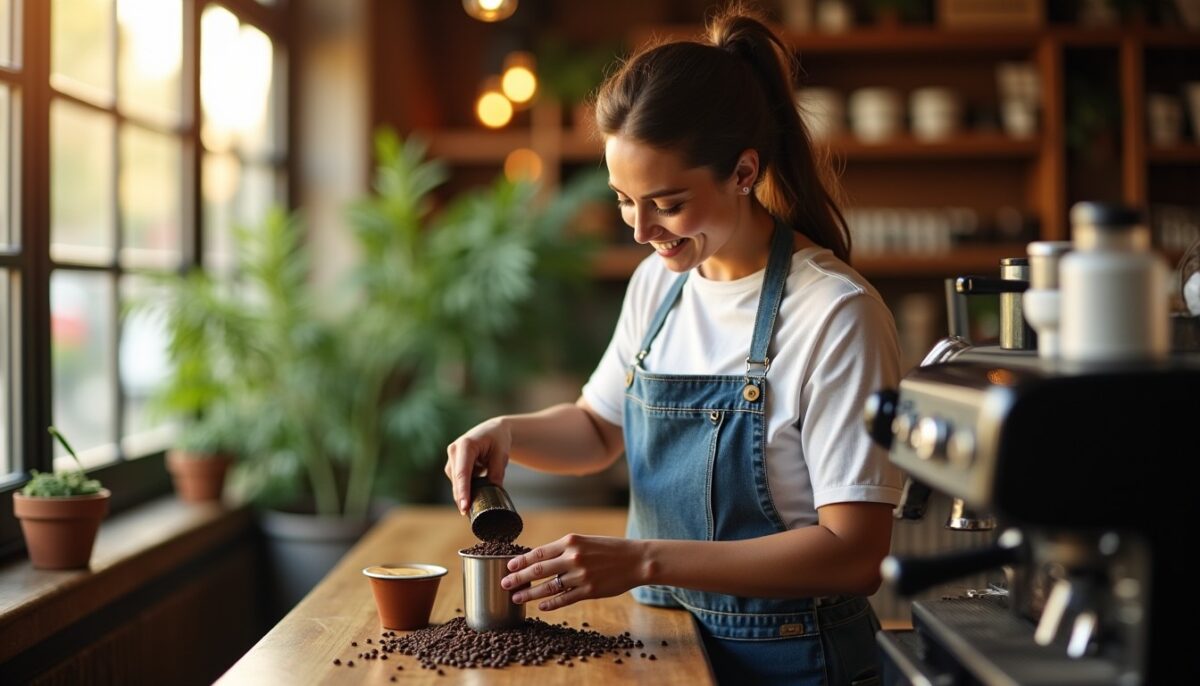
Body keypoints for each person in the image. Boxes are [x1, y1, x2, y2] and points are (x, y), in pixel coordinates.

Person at [445, 5, 903, 684]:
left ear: (743, 171)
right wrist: (508, 432)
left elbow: (852, 554)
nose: (640, 230)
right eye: (625, 200)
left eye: (666, 202)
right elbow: (600, 428)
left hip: (796, 658)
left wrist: (642, 561)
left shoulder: (836, 315)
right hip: (665, 645)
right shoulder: (658, 287)